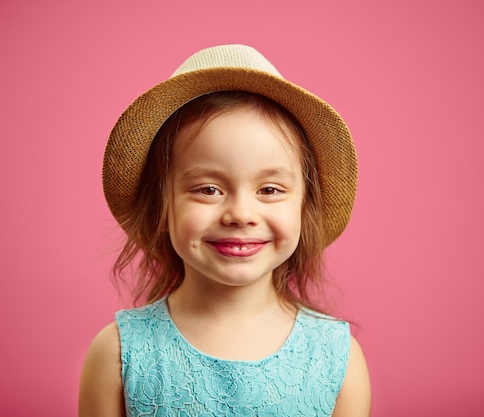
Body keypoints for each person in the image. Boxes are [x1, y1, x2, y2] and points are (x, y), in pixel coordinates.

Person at [79, 44, 371, 417]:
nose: (240, 214)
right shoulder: (118, 353)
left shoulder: (335, 357)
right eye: (207, 189)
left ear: (303, 205)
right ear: (162, 206)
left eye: (269, 190)